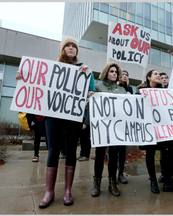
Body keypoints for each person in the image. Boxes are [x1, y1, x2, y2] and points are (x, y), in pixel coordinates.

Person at [16, 36, 92, 208]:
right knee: (53, 150)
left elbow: (91, 92)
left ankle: (67, 191)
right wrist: (23, 77)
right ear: (62, 49)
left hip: (73, 116)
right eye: (68, 46)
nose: (71, 48)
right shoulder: (50, 68)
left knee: (71, 150)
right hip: (53, 115)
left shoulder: (84, 69)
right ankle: (49, 192)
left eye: (74, 46)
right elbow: (34, 82)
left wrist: (87, 82)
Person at [136, 69, 173, 194]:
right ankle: (153, 181)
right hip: (150, 129)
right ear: (149, 77)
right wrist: (140, 98)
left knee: (172, 149)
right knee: (150, 153)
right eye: (156, 74)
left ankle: (168, 182)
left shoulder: (165, 92)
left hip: (164, 130)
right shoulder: (142, 92)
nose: (159, 76)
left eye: (159, 74)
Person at [86, 62, 127, 197]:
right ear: (106, 73)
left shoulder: (121, 90)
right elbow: (88, 106)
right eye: (111, 71)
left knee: (113, 156)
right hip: (101, 128)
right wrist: (89, 98)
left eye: (116, 72)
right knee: (99, 155)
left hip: (116, 128)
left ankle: (112, 183)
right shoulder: (97, 87)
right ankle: (96, 183)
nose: (114, 73)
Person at [158, 72, 173, 185]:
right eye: (161, 78)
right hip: (162, 127)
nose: (164, 79)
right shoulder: (156, 92)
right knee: (164, 154)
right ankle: (164, 174)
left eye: (165, 77)